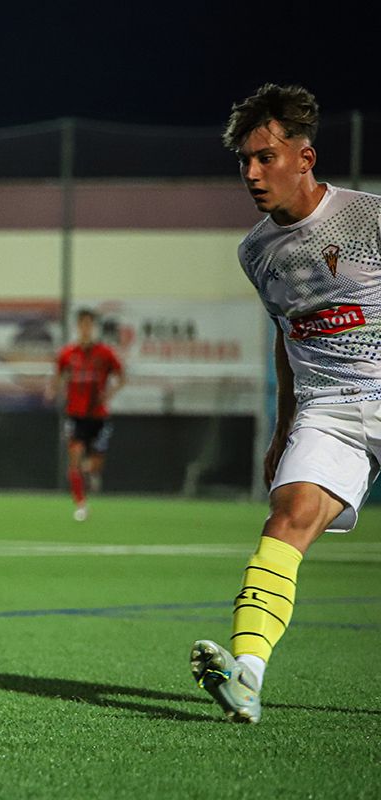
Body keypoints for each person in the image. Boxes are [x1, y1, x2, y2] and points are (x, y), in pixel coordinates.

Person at [189, 84, 381, 724]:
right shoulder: (256, 251)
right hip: (327, 406)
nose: (251, 172)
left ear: (306, 157)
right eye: (243, 160)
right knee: (288, 516)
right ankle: (246, 677)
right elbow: (285, 333)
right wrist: (283, 427)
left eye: (264, 157)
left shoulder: (368, 220)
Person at [44, 308, 124, 521]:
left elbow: (121, 377)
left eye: (89, 324)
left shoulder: (105, 353)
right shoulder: (68, 354)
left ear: (94, 327)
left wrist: (109, 394)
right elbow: (58, 377)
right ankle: (81, 505)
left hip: (98, 416)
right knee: (75, 457)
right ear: (78, 326)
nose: (86, 328)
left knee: (95, 464)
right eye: (82, 324)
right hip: (76, 414)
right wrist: (54, 389)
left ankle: (92, 473)